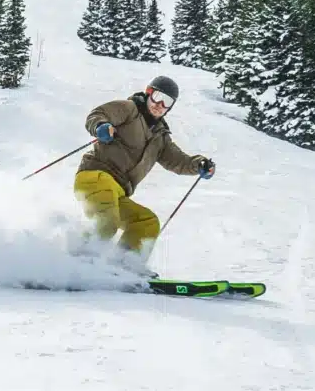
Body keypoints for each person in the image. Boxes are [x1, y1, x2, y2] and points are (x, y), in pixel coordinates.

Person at [73, 75, 215, 277]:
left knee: (146, 222)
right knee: (108, 222)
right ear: (148, 93)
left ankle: (122, 268)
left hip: (118, 191)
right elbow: (99, 114)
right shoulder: (129, 109)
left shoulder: (160, 138)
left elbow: (179, 161)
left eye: (167, 102)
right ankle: (74, 262)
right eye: (157, 97)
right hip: (96, 176)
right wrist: (101, 127)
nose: (160, 105)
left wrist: (199, 164)